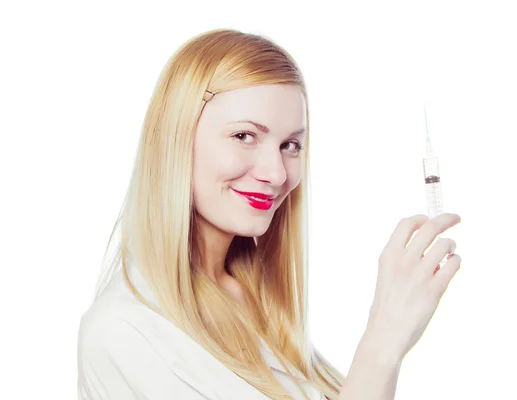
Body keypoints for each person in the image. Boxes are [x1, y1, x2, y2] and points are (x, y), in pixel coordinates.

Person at [77, 29, 462, 400]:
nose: (277, 173)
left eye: (290, 145)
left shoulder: (251, 298)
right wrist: (383, 344)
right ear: (175, 138)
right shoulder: (123, 333)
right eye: (244, 136)